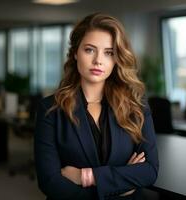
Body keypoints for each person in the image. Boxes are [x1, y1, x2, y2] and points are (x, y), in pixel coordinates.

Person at [34, 13, 159, 200]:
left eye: (109, 53)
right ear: (76, 52)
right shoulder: (50, 109)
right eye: (90, 50)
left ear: (117, 59)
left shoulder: (136, 106)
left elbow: (149, 170)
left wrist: (86, 176)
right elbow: (50, 182)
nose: (98, 60)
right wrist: (120, 183)